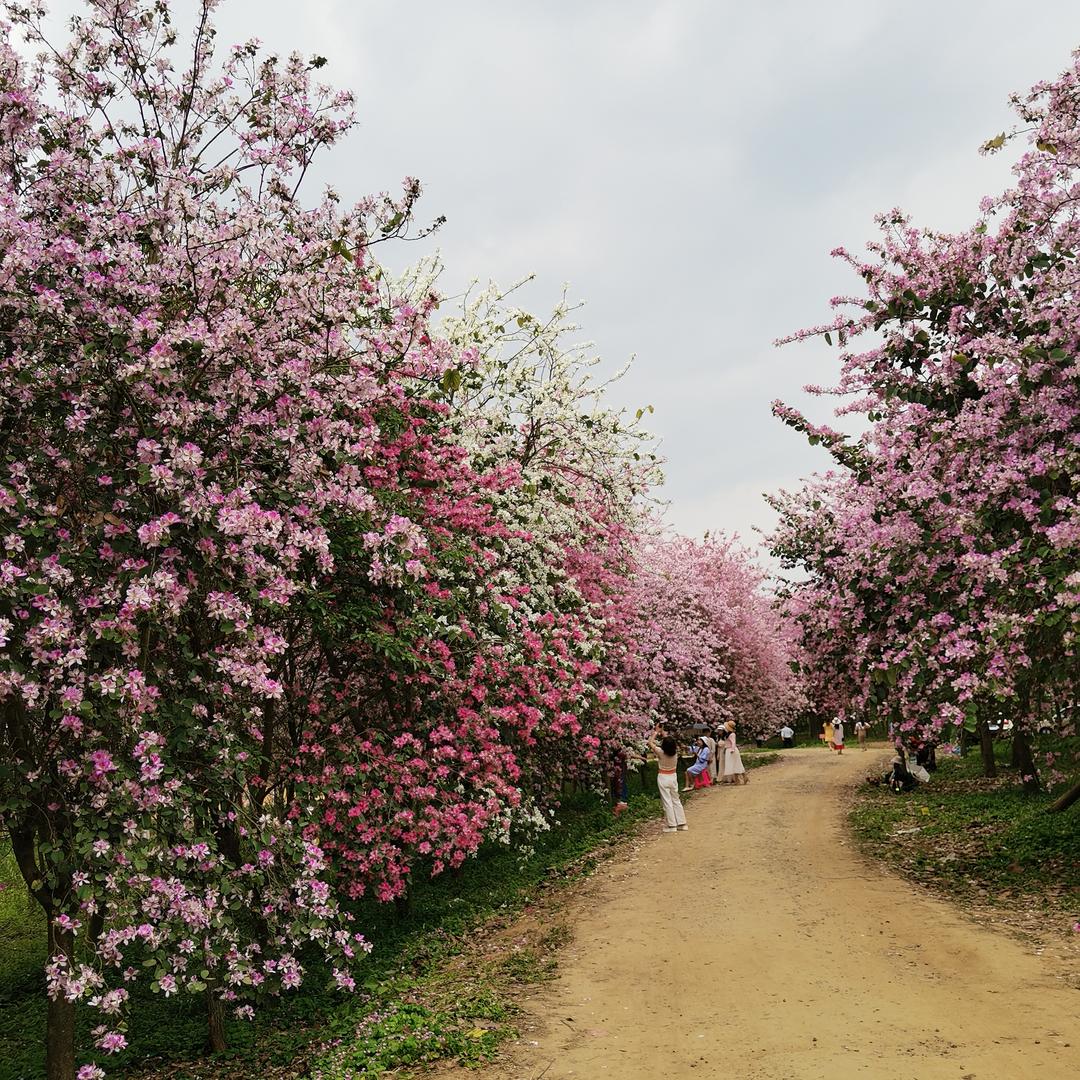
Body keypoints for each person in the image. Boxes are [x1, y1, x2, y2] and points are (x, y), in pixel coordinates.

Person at [648, 727, 688, 832]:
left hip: (663, 777)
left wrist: (656, 732)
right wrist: (663, 732)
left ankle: (672, 825)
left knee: (667, 801)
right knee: (676, 800)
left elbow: (650, 742)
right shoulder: (675, 752)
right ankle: (682, 824)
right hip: (673, 777)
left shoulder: (661, 752)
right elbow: (670, 743)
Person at [721, 720, 748, 785]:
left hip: (731, 750)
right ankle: (739, 779)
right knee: (734, 765)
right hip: (729, 750)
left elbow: (733, 743)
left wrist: (732, 750)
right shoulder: (728, 734)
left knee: (736, 764)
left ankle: (741, 778)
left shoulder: (732, 734)